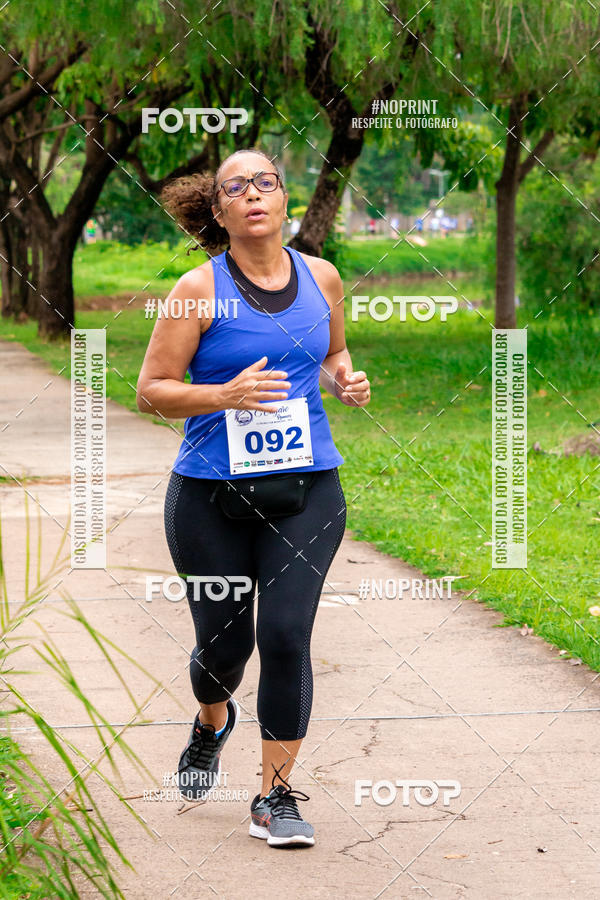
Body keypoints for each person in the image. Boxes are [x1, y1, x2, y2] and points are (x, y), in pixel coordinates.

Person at [136, 147, 371, 848]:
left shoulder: (321, 277)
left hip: (306, 487)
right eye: (236, 188)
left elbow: (331, 355)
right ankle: (212, 723)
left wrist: (344, 381)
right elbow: (152, 390)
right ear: (220, 212)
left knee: (285, 634)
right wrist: (222, 394)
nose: (253, 195)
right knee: (224, 646)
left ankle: (275, 798)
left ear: (283, 197)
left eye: (264, 182)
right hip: (209, 496)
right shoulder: (196, 289)